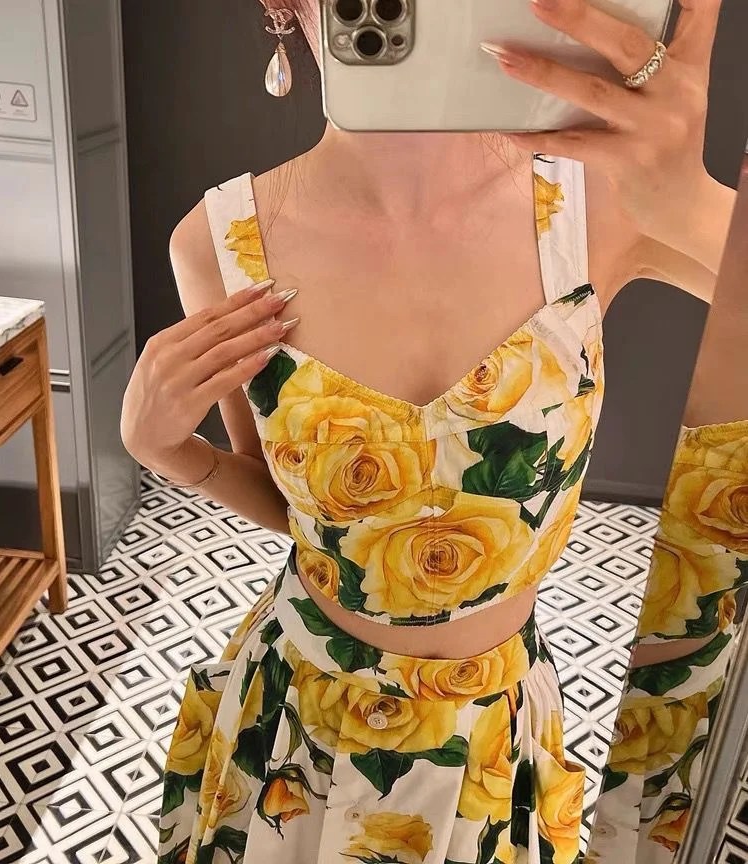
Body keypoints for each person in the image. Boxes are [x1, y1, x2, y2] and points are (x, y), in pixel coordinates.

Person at [119, 1, 734, 862]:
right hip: (299, 726)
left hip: (493, 734)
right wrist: (169, 454)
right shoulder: (220, 242)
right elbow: (302, 517)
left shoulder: (595, 202)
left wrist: (694, 203)